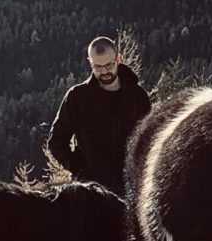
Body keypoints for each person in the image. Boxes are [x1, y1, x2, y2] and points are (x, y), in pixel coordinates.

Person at [47, 36, 151, 196]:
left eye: (109, 65)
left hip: (130, 191)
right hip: (90, 193)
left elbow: (149, 141)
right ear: (90, 63)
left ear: (119, 59)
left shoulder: (138, 97)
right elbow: (56, 142)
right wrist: (79, 171)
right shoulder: (77, 97)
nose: (104, 71)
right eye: (97, 66)